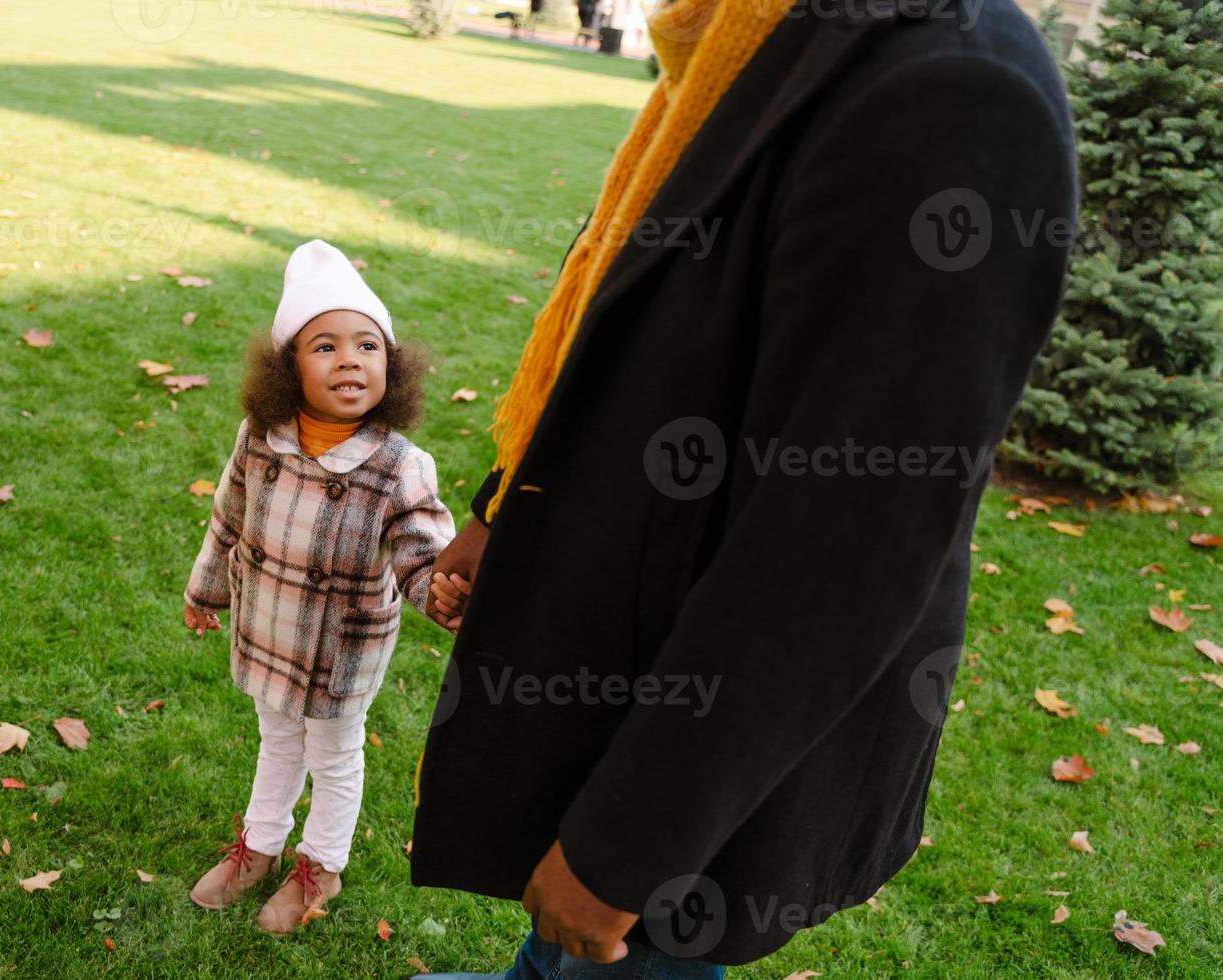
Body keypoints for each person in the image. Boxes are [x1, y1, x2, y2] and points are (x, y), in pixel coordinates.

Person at [414, 0, 1078, 974]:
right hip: (627, 646)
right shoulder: (744, 34)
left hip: (701, 733)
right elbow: (641, 315)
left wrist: (626, 846)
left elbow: (838, 550)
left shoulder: (957, 90)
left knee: (625, 948)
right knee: (561, 954)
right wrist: (499, 504)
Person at [181, 239, 463, 935]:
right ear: (288, 369)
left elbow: (423, 552)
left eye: (367, 346)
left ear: (390, 368)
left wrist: (440, 593)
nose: (349, 360)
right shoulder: (260, 438)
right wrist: (204, 591)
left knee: (334, 753)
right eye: (325, 346)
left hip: (341, 648)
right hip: (268, 626)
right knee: (276, 739)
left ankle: (323, 863)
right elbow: (229, 518)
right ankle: (261, 846)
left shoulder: (400, 465)